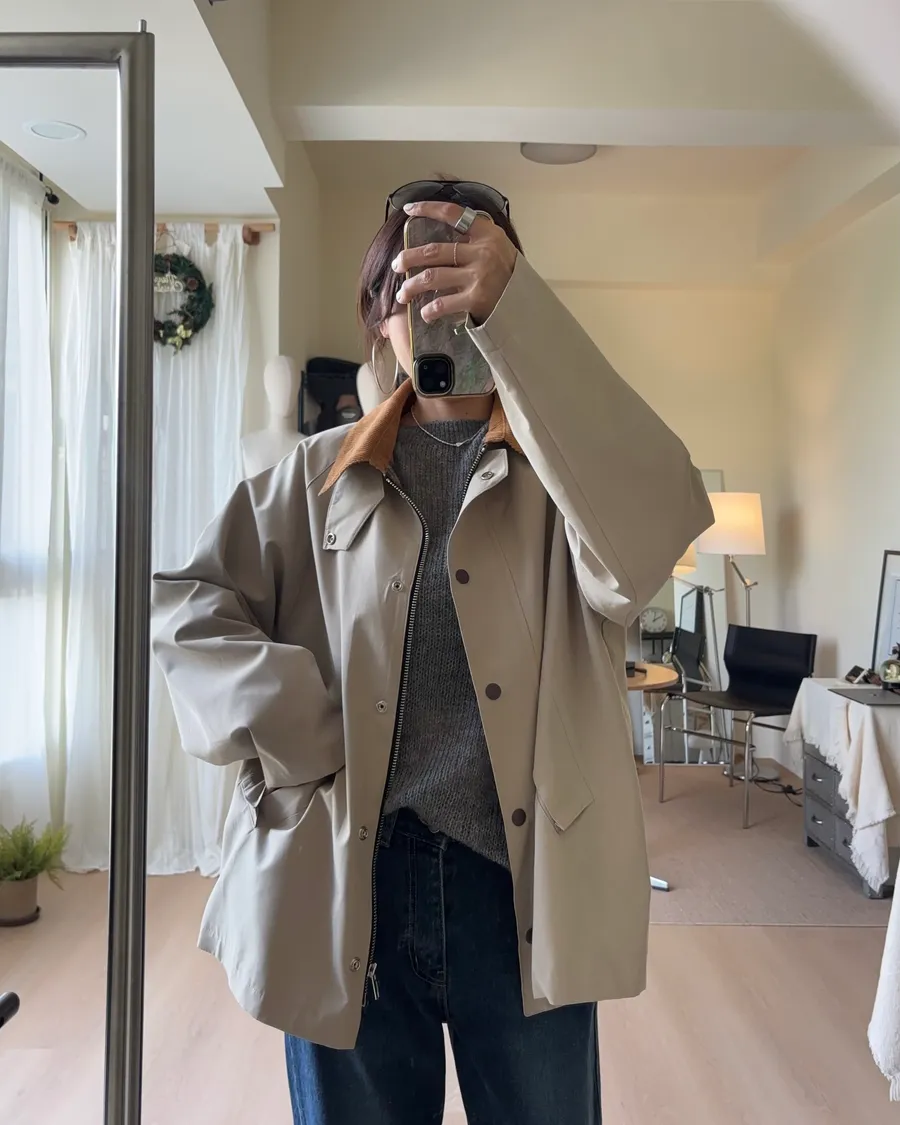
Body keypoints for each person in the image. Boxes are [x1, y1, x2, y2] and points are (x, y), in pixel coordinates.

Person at [152, 179, 713, 1124]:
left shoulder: (569, 486)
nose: (442, 313)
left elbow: (651, 536)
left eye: (467, 289)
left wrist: (523, 318)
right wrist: (299, 722)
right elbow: (185, 609)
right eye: (415, 289)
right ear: (381, 320)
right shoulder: (315, 475)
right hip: (349, 882)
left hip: (523, 888)